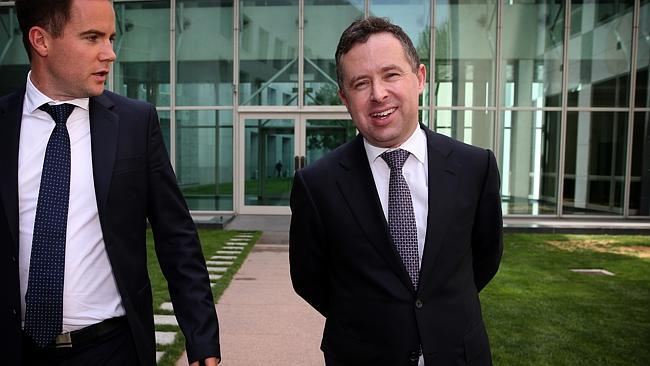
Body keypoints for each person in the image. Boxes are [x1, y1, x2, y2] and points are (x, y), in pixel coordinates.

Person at [0, 0, 220, 365]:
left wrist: (202, 339)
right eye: (92, 38)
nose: (110, 53)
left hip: (112, 349)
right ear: (41, 40)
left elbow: (177, 238)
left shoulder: (135, 124)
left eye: (111, 38)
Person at [289, 17, 503, 366]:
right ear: (344, 97)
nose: (378, 94)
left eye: (391, 75)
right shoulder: (316, 185)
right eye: (361, 83)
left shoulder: (474, 167)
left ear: (419, 78)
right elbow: (309, 280)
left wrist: (437, 311)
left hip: (459, 355)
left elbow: (486, 257)